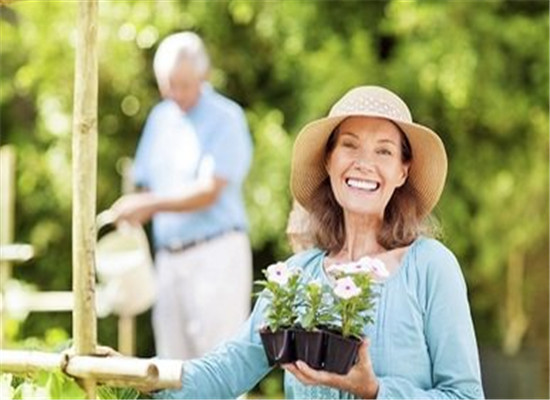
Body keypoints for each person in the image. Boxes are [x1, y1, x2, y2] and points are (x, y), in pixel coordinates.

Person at [153, 85, 484, 399]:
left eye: (384, 150)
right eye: (349, 145)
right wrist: (139, 376)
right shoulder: (295, 278)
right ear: (329, 160)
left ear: (402, 171)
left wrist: (375, 391)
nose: (364, 163)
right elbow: (225, 371)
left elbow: (466, 395)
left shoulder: (430, 267)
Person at [111, 32, 254, 360]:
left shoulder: (226, 117)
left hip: (216, 253)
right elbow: (147, 184)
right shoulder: (160, 118)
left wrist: (150, 205)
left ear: (203, 76)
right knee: (172, 366)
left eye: (184, 84)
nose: (176, 93)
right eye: (168, 84)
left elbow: (209, 191)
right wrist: (132, 215)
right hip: (168, 259)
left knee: (219, 362)